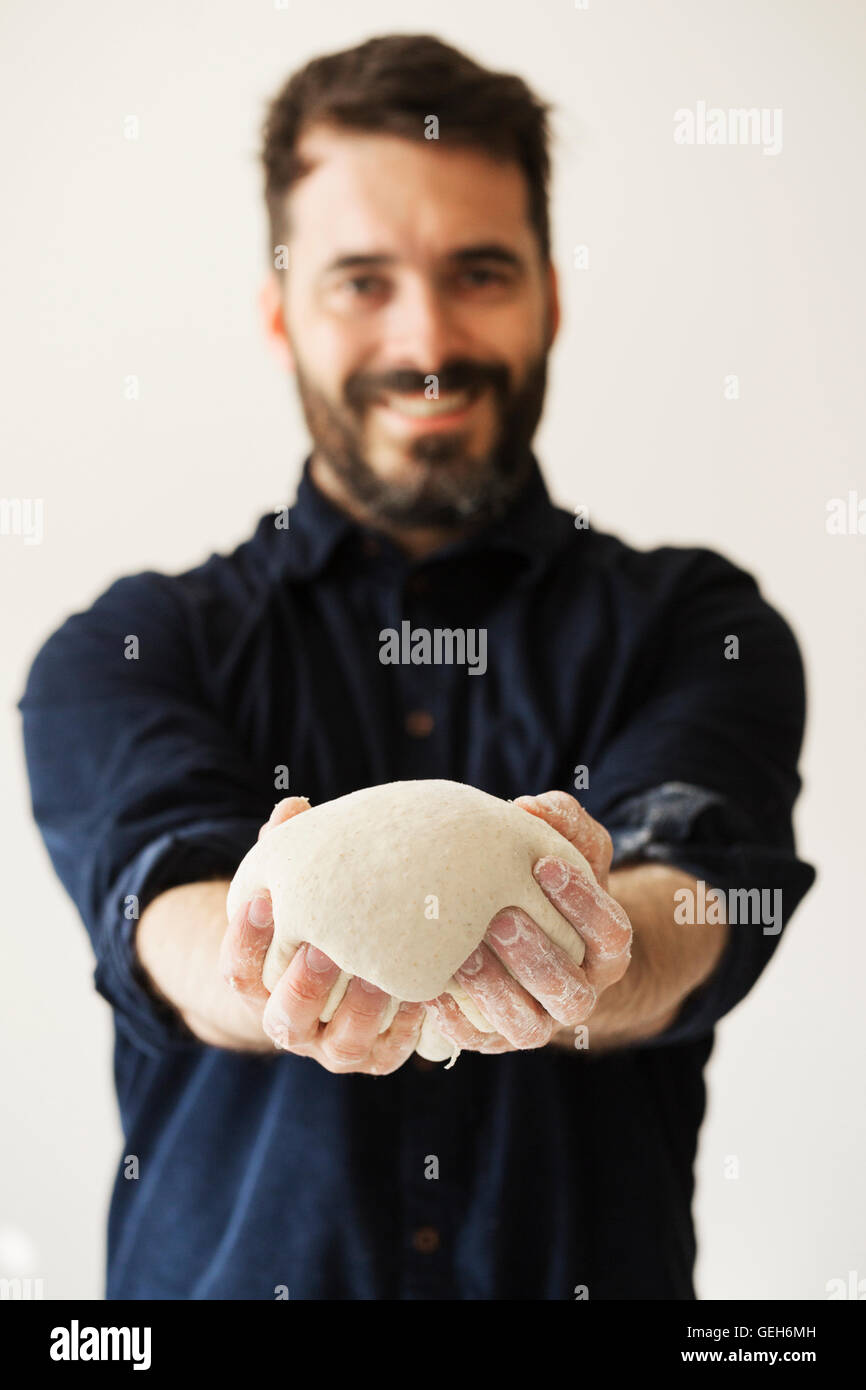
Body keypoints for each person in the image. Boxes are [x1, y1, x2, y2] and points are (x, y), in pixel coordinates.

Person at [19, 34, 815, 1301]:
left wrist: (592, 958)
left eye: (478, 273)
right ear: (281, 311)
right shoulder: (125, 649)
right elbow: (160, 902)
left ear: (551, 295)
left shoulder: (697, 625)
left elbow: (699, 893)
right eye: (361, 281)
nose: (428, 337)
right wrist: (258, 960)